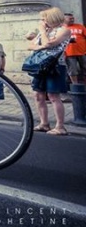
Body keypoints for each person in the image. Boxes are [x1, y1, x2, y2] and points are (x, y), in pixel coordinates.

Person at [27, 7, 71, 136]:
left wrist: (42, 33)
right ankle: (44, 123)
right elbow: (30, 45)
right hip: (40, 66)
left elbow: (50, 44)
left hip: (55, 66)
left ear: (52, 18)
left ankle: (60, 126)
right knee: (38, 95)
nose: (42, 21)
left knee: (53, 96)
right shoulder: (45, 31)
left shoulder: (64, 30)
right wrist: (40, 44)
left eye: (43, 18)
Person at [63, 13, 86, 84]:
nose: (72, 20)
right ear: (64, 19)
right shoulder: (61, 28)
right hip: (69, 53)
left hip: (83, 52)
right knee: (72, 71)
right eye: (70, 19)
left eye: (73, 18)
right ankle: (76, 86)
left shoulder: (80, 26)